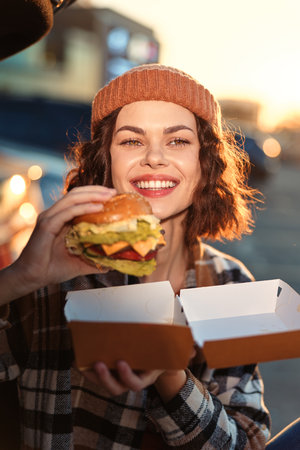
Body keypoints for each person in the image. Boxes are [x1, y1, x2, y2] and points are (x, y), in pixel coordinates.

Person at [0, 64, 271, 449]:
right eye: (131, 141)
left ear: (205, 162)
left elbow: (248, 443)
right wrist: (19, 279)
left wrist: (171, 374)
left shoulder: (231, 284)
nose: (154, 158)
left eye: (178, 141)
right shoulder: (55, 276)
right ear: (105, 161)